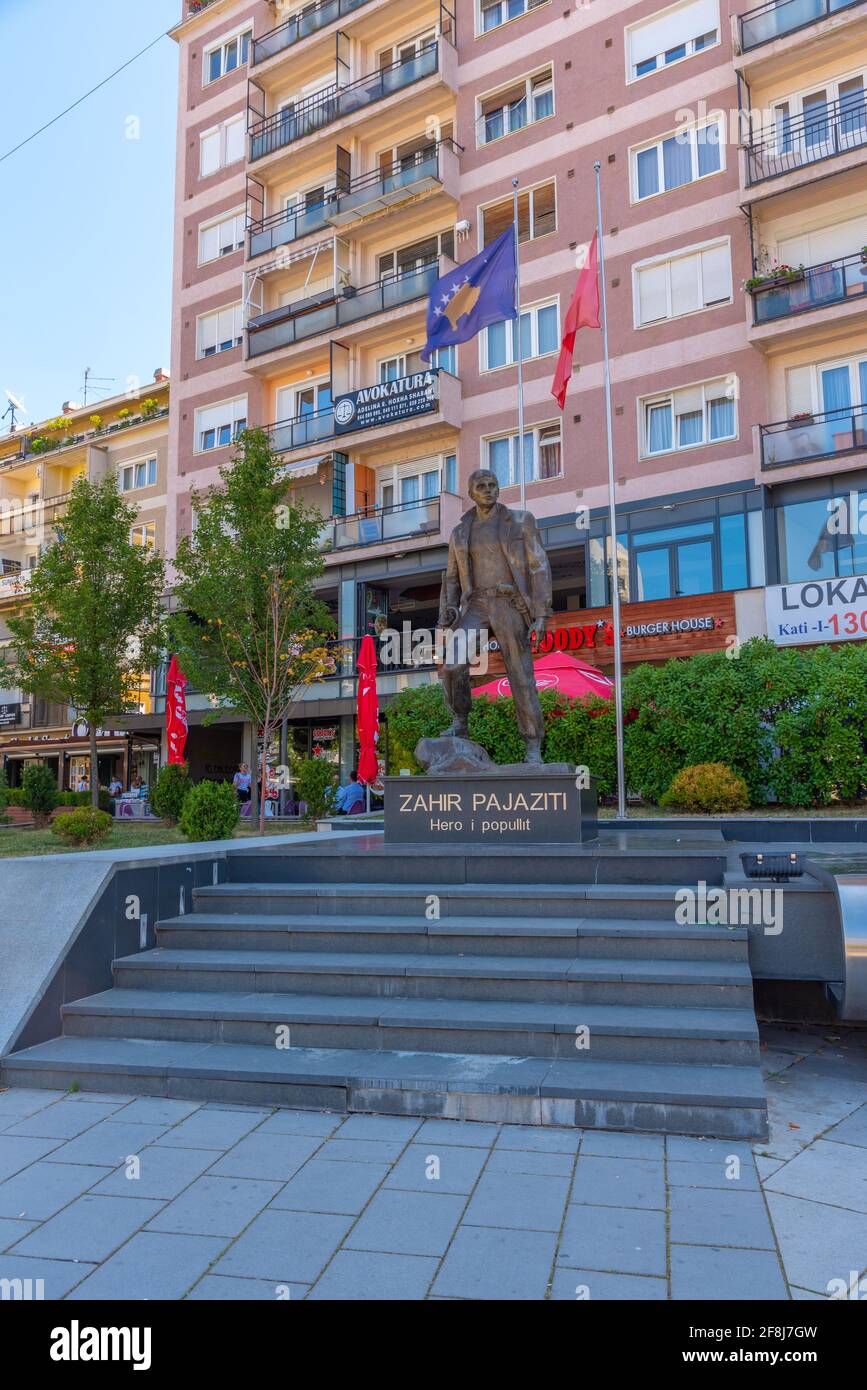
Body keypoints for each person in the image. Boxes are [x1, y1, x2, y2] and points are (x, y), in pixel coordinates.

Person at [437, 469, 551, 763]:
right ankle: (460, 721)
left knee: (520, 674)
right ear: (471, 492)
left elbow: (539, 566)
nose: (488, 490)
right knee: (451, 666)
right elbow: (451, 578)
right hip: (475, 605)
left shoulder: (520, 521)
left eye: (493, 485)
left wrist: (541, 614)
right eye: (481, 486)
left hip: (509, 601)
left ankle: (533, 746)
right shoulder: (460, 531)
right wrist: (446, 613)